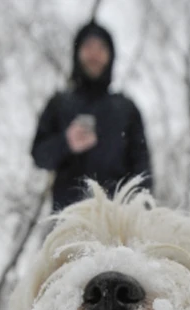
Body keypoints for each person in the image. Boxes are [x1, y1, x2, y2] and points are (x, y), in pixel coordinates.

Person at [31, 20, 153, 214]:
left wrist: (142, 213)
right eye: (88, 47)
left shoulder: (126, 109)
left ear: (111, 56)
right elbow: (39, 156)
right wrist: (66, 143)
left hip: (117, 220)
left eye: (101, 48)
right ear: (77, 53)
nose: (94, 54)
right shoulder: (59, 103)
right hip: (67, 218)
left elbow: (142, 168)